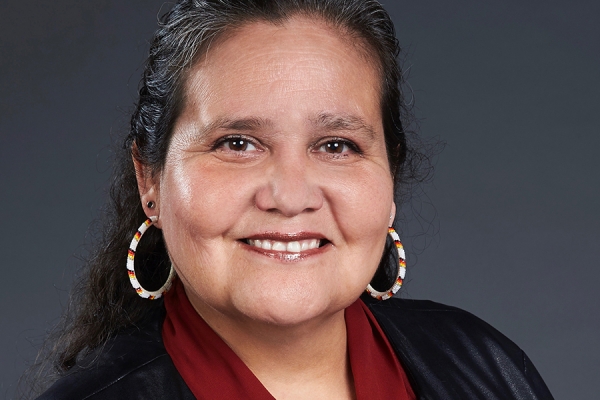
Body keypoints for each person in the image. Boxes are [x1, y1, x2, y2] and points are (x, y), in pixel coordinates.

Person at [31, 0, 553, 399]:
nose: (290, 196)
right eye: (238, 144)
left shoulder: (488, 367)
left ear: (390, 177)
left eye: (336, 146)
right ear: (150, 180)